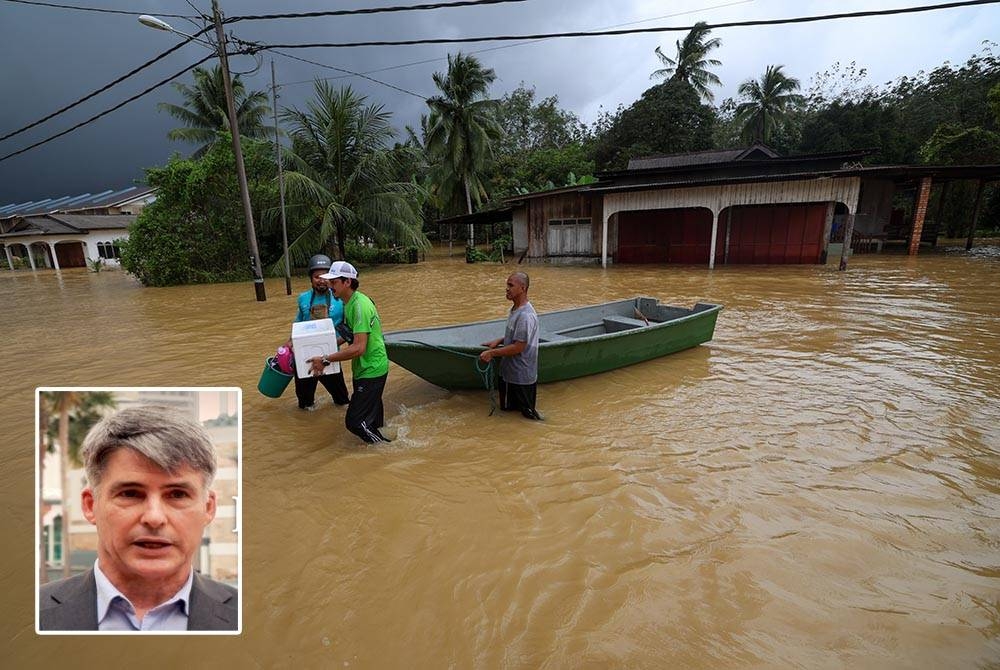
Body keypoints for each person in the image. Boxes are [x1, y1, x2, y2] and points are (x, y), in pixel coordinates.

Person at [38, 405, 238, 632]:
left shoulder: (255, 617)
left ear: (208, 508)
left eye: (177, 495)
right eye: (130, 494)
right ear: (90, 505)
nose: (154, 517)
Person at [308, 261, 392, 443]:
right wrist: (320, 347)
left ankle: (385, 450)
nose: (330, 286)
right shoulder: (349, 303)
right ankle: (382, 449)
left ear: (347, 282)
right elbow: (349, 336)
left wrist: (325, 359)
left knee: (355, 422)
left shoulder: (360, 306)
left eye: (334, 282)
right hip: (366, 368)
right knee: (373, 419)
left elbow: (358, 348)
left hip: (371, 369)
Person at [479, 271, 543, 420]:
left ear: (522, 288)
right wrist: (500, 340)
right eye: (506, 285)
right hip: (509, 374)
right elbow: (517, 337)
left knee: (528, 417)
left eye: (510, 285)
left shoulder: (526, 315)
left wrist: (492, 353)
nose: (507, 289)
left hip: (520, 376)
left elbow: (519, 347)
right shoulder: (515, 309)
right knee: (510, 415)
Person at [290, 254, 350, 411]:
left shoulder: (340, 298)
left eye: (325, 276)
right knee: (305, 405)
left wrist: (334, 345)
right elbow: (298, 323)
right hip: (305, 357)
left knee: (342, 401)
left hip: (329, 356)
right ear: (311, 278)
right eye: (317, 276)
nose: (321, 280)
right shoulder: (303, 298)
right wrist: (289, 344)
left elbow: (349, 328)